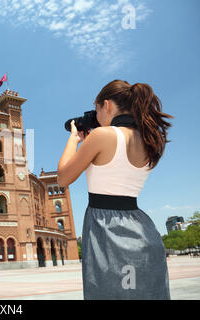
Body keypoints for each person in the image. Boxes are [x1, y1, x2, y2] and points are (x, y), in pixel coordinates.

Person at [57, 80, 173, 300]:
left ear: (107, 105)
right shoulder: (149, 140)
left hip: (107, 232)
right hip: (143, 231)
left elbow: (63, 178)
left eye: (98, 108)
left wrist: (74, 139)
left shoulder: (103, 136)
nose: (97, 115)